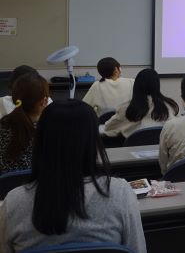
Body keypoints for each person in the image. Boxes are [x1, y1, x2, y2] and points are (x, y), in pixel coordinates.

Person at [0, 100, 146, 252]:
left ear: (41, 141)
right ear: (93, 142)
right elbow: (138, 249)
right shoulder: (120, 193)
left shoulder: (13, 203)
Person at [103, 68, 179, 138]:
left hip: (130, 150)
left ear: (136, 85)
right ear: (157, 85)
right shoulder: (170, 105)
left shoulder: (126, 108)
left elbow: (108, 128)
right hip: (162, 149)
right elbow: (177, 127)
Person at [0, 73, 49, 174]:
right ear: (44, 101)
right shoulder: (47, 131)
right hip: (36, 187)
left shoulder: (2, 124)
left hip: (4, 188)